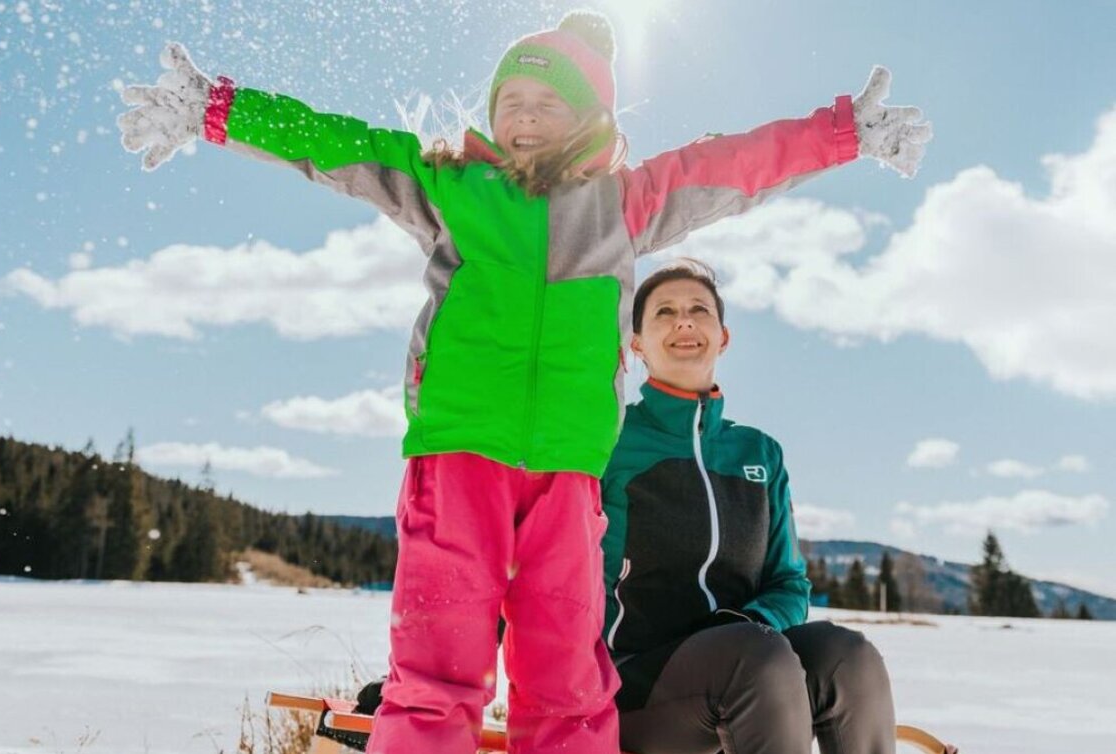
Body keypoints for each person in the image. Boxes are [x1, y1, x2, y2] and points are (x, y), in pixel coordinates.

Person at [117, 11, 930, 754]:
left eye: (548, 100)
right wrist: (215, 110)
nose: (524, 114)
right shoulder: (450, 187)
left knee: (567, 679)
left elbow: (732, 166)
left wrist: (842, 133)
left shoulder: (624, 205)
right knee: (437, 668)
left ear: (587, 119)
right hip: (460, 453)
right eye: (511, 98)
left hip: (570, 474)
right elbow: (335, 145)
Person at [601, 258, 899, 754]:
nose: (684, 321)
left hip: (751, 666)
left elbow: (788, 582)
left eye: (699, 310)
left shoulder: (759, 454)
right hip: (634, 685)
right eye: (664, 313)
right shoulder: (610, 442)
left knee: (848, 656)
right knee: (753, 657)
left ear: (723, 337)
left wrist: (743, 625)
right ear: (636, 345)